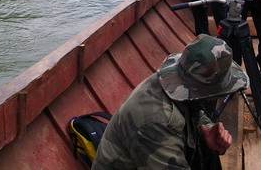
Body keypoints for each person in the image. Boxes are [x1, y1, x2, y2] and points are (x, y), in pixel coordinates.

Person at [92, 34, 249, 170]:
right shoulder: (157, 122)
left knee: (208, 153)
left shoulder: (175, 85)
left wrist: (208, 130)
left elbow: (195, 112)